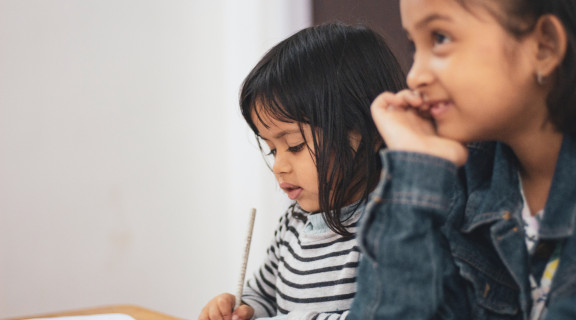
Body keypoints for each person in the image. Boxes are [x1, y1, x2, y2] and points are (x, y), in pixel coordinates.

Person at [349, 0, 576, 319]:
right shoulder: (461, 181)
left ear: (544, 46)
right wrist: (415, 169)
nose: (414, 77)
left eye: (440, 38)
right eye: (414, 45)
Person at [198, 23, 405, 320]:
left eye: (294, 145)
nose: (279, 166)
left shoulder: (394, 226)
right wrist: (240, 306)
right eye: (272, 149)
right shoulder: (293, 224)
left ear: (371, 132)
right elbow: (264, 293)